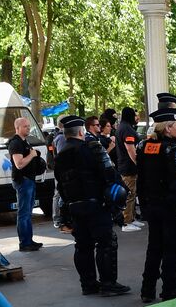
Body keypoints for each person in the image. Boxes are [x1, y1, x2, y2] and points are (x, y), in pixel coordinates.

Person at [54, 114, 131, 297]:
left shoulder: (61, 155)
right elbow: (109, 173)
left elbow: (60, 184)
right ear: (81, 131)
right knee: (106, 243)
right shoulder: (92, 147)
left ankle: (87, 284)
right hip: (96, 204)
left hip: (75, 206)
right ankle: (108, 283)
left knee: (82, 246)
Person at [136, 109, 176, 303]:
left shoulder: (144, 146)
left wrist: (143, 205)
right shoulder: (173, 150)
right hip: (169, 207)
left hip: (152, 205)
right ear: (168, 128)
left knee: (154, 247)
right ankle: (169, 290)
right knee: (171, 249)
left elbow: (140, 180)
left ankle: (147, 290)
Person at [7, 116, 43, 251]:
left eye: (29, 126)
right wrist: (32, 155)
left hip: (29, 180)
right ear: (18, 128)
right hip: (23, 181)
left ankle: (29, 240)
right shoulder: (15, 143)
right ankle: (24, 243)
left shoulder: (24, 141)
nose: (28, 128)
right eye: (25, 126)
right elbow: (19, 164)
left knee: (28, 212)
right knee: (24, 213)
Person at [115, 108, 143, 231]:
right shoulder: (126, 129)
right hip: (128, 167)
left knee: (132, 193)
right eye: (135, 115)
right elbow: (130, 149)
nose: (137, 117)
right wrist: (138, 162)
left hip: (126, 166)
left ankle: (130, 218)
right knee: (129, 194)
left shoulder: (124, 127)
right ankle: (126, 222)